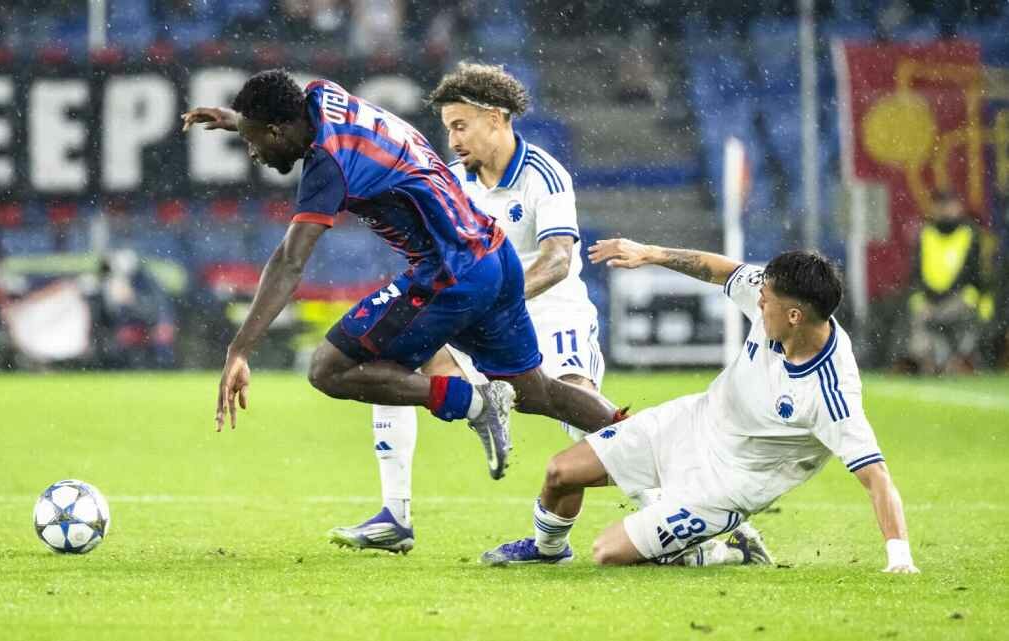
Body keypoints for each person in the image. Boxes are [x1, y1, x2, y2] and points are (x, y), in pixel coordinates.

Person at [180, 69, 624, 483]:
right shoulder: (321, 94)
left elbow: (290, 261)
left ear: (277, 130)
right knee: (536, 392)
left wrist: (239, 350)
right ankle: (644, 440)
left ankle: (473, 403)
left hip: (451, 273)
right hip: (495, 256)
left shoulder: (328, 163)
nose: (252, 151)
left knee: (330, 369)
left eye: (253, 140)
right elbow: (285, 117)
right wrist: (238, 120)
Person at [480, 238, 919, 574]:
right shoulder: (778, 295)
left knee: (607, 552)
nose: (758, 300)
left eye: (766, 300)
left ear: (795, 316)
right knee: (560, 472)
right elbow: (720, 269)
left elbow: (876, 477)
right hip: (690, 422)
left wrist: (899, 558)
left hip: (723, 486)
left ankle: (726, 550)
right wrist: (652, 253)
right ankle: (549, 551)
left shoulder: (830, 392)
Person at [327, 62, 612, 554]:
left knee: (575, 407)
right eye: (448, 128)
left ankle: (673, 499)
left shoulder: (543, 173)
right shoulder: (452, 180)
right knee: (385, 366)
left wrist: (495, 298)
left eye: (460, 126)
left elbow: (557, 261)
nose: (453, 139)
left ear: (495, 119)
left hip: (551, 311)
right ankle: (395, 516)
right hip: (480, 314)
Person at [903, 189, 991, 375]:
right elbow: (916, 273)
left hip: (959, 297)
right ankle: (926, 362)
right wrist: (924, 299)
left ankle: (959, 360)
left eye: (947, 204)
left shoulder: (969, 232)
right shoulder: (925, 233)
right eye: (939, 204)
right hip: (930, 299)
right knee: (920, 317)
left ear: (958, 206)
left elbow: (972, 273)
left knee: (961, 314)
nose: (944, 209)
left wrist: (946, 298)